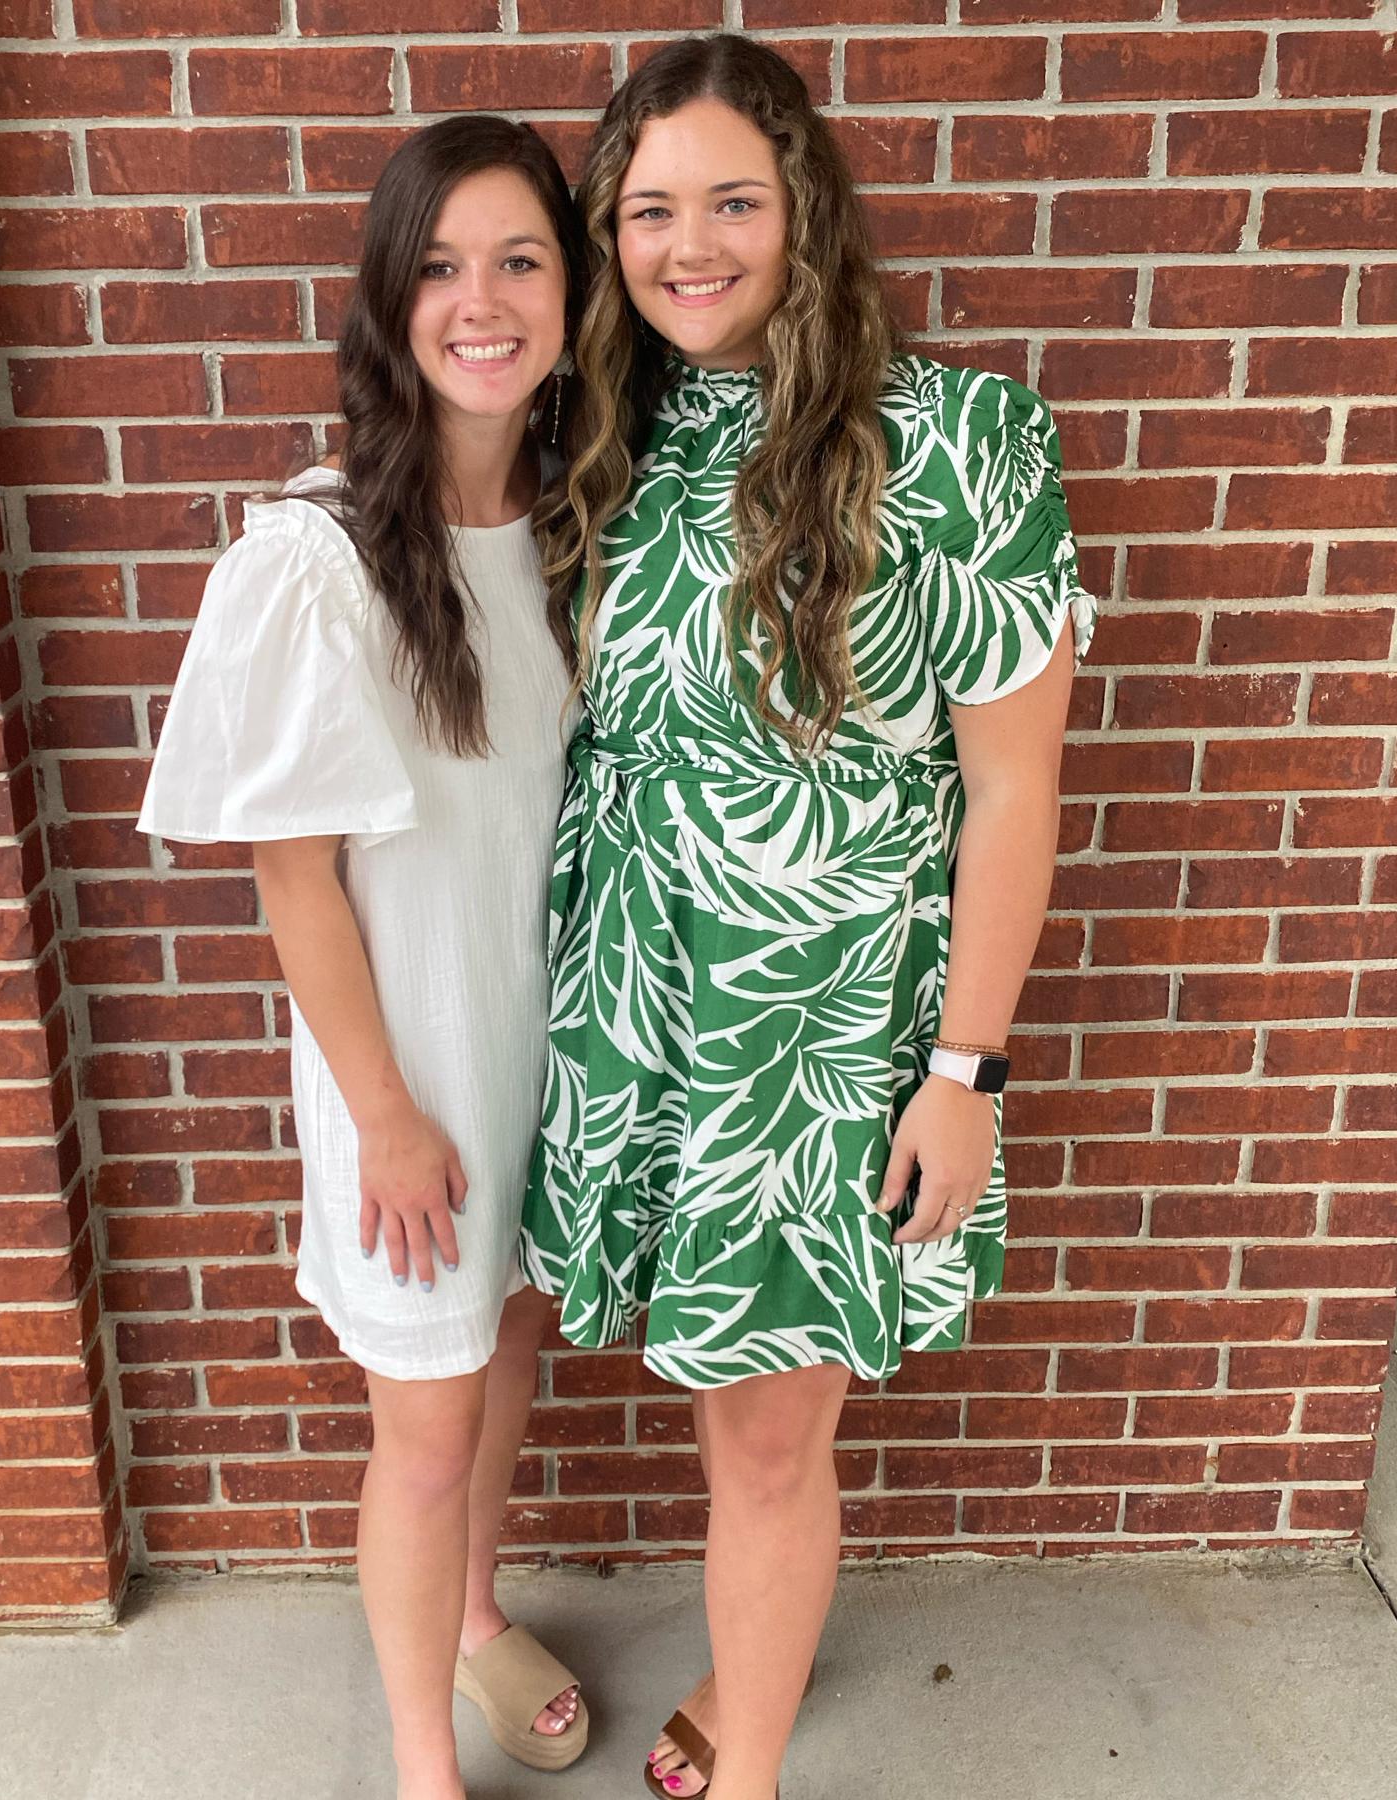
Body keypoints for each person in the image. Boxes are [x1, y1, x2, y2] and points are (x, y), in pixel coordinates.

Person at [519, 36, 1097, 1800]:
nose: (689, 247)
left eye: (733, 202)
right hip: (646, 1005)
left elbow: (1014, 789)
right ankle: (750, 1656)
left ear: (806, 213)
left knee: (769, 1436)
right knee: (727, 1414)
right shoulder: (617, 434)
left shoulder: (962, 439)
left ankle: (754, 1760)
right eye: (648, 212)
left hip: (822, 1032)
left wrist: (967, 1073)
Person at [137, 115, 591, 1800]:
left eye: (521, 260)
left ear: (571, 295)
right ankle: (419, 1764)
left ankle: (473, 1618)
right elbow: (297, 880)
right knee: (425, 1425)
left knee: (506, 1353)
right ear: (391, 300)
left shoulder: (574, 531)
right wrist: (388, 1116)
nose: (484, 301)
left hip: (546, 1055)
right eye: (443, 266)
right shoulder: (317, 559)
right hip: (409, 1077)